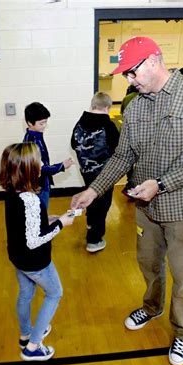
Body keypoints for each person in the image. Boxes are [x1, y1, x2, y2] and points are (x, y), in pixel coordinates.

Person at [70, 36, 183, 365]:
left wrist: (162, 183)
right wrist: (94, 190)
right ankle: (152, 307)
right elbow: (123, 155)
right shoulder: (137, 105)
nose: (127, 80)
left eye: (131, 73)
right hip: (147, 207)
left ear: (153, 62)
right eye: (125, 74)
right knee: (148, 263)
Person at [0, 142, 75, 362]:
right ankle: (32, 347)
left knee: (25, 294)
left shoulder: (12, 192)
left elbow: (26, 226)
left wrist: (49, 219)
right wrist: (61, 224)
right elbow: (34, 240)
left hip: (17, 257)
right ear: (28, 168)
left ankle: (25, 335)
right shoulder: (31, 200)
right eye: (39, 161)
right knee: (54, 294)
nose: (43, 164)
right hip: (35, 261)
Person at [71, 92, 119, 253]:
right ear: (107, 107)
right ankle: (94, 240)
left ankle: (90, 223)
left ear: (93, 105)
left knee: (90, 197)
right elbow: (118, 149)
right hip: (105, 175)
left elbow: (73, 143)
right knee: (103, 205)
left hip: (86, 171)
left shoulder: (80, 122)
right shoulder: (109, 125)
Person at [23, 102, 74, 210]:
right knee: (41, 214)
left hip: (42, 182)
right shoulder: (31, 142)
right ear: (30, 123)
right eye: (41, 123)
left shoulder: (35, 136)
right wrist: (61, 166)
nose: (44, 126)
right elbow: (39, 168)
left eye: (46, 122)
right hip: (38, 185)